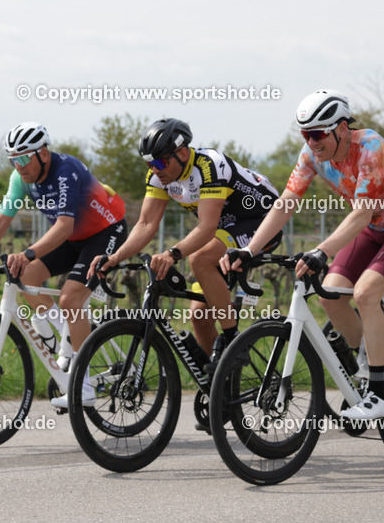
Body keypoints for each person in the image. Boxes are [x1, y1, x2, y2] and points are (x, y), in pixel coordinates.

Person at [222, 89, 384, 420]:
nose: (312, 142)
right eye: (305, 134)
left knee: (366, 293)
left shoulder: (370, 146)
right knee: (330, 294)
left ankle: (379, 392)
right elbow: (286, 203)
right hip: (373, 227)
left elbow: (362, 212)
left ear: (342, 128)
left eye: (318, 133)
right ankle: (369, 360)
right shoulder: (311, 155)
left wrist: (322, 251)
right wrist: (251, 249)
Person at [0, 121, 127, 408]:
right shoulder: (20, 179)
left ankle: (83, 388)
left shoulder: (65, 170)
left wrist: (28, 253)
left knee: (70, 298)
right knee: (26, 277)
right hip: (73, 237)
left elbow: (64, 225)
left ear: (43, 153)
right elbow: (1, 220)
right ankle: (65, 334)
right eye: (12, 160)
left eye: (22, 159)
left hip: (106, 233)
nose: (17, 166)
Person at [92, 118, 281, 367]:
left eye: (160, 162)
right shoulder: (159, 177)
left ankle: (234, 341)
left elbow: (207, 227)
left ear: (182, 153)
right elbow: (146, 224)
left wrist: (172, 254)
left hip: (261, 223)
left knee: (199, 259)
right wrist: (116, 257)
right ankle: (219, 381)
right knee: (199, 315)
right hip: (226, 229)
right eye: (149, 164)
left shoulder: (209, 165)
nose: (155, 169)